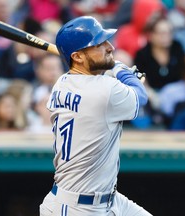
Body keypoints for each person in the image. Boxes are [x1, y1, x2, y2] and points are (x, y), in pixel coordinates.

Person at [39, 16, 150, 215]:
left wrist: (112, 72)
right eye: (99, 44)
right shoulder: (105, 90)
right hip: (77, 207)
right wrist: (122, 70)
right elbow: (140, 97)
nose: (110, 47)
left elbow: (95, 84)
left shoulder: (62, 82)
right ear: (78, 57)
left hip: (106, 199)